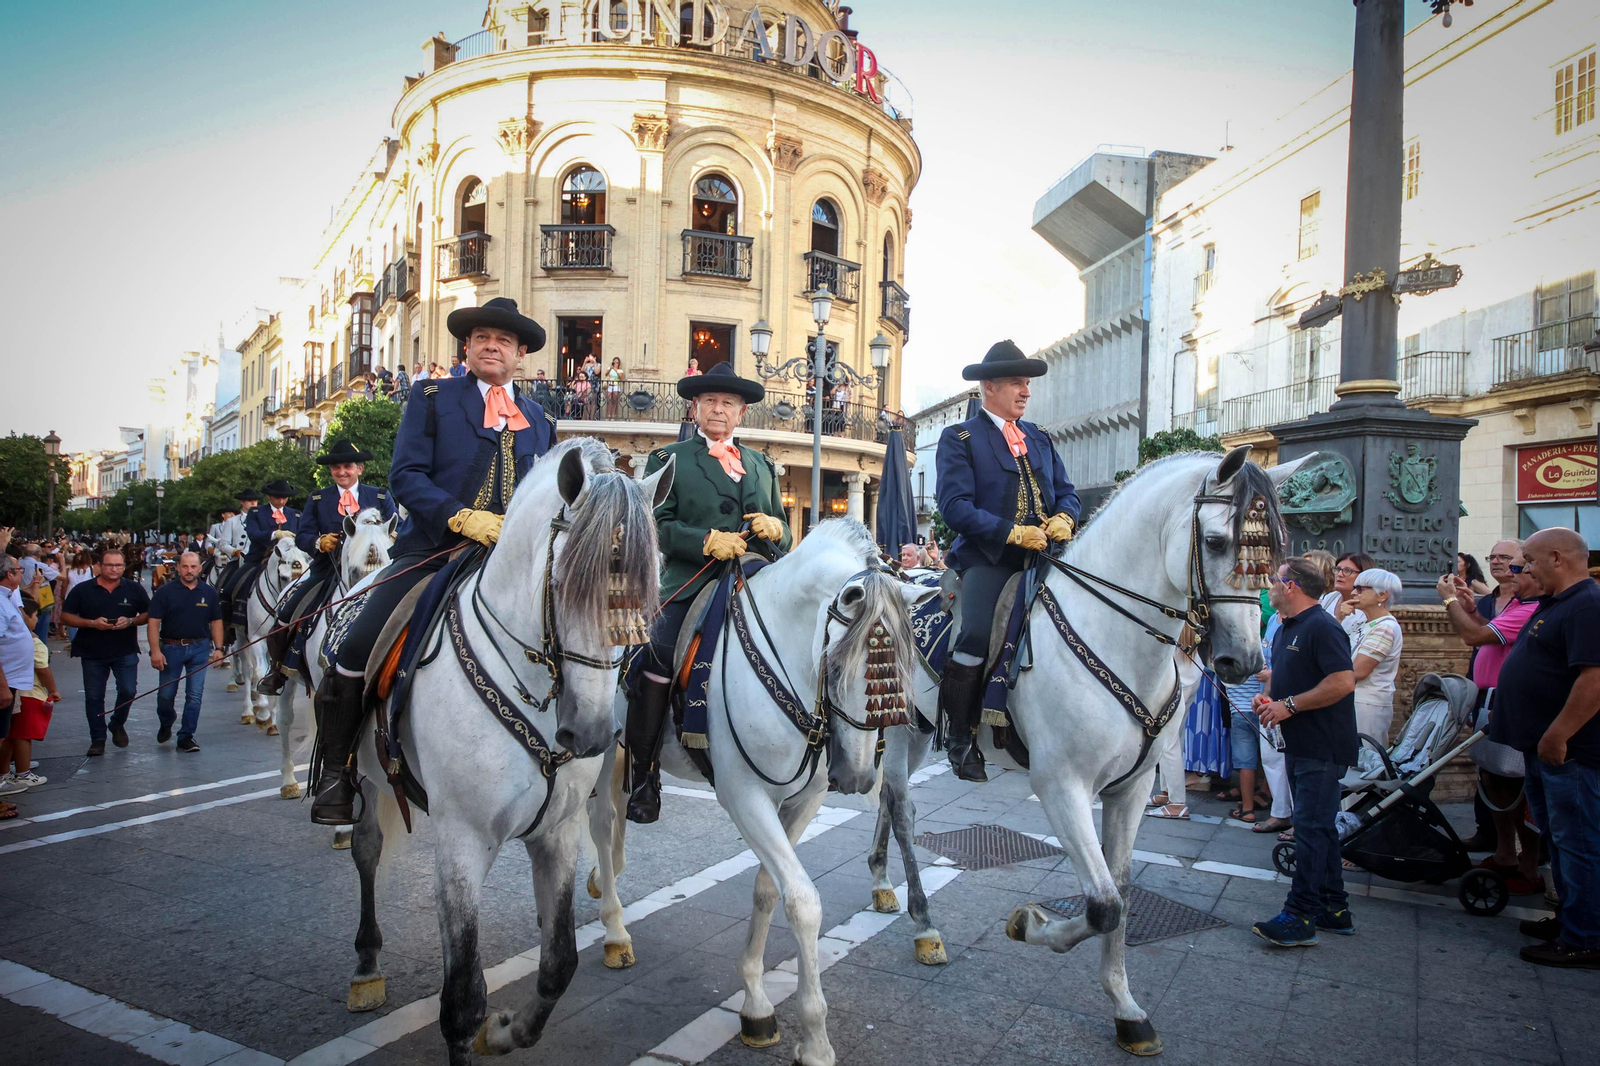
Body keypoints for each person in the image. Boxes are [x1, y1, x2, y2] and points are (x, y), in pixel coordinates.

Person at [311, 297, 555, 825]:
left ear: (520, 356)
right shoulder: (431, 398)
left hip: (514, 560)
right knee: (356, 644)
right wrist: (461, 517)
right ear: (466, 347)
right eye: (483, 337)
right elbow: (406, 476)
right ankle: (337, 770)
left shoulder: (539, 418)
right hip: (434, 549)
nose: (493, 346)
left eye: (505, 341)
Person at [625, 362, 793, 824]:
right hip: (691, 581)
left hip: (757, 580)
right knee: (657, 656)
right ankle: (644, 772)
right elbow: (653, 524)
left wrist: (777, 528)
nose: (719, 410)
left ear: (741, 414)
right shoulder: (669, 458)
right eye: (711, 402)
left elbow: (786, 535)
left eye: (729, 404)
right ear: (695, 408)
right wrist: (704, 540)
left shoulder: (761, 464)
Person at [934, 340, 1080, 782]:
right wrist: (1010, 531)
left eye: (1028, 383)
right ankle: (960, 736)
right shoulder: (959, 438)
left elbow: (1067, 491)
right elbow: (953, 506)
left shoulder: (1039, 437)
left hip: (1047, 557)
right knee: (975, 634)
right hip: (988, 558)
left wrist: (1066, 517)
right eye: (1017, 383)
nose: (1026, 391)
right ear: (989, 387)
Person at [1496, 527, 1600, 968]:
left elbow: (1593, 680)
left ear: (1557, 558)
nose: (1525, 570)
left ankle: (1586, 937)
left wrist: (1558, 733)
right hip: (1544, 751)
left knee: (1578, 842)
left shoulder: (1586, 605)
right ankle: (1571, 919)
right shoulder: (1556, 604)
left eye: (1531, 562)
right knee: (1560, 839)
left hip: (1570, 753)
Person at [1251, 557, 1358, 946]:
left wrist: (1290, 706)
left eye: (1274, 581)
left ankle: (1300, 915)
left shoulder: (1323, 627)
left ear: (1292, 586)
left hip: (1323, 743)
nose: (1269, 587)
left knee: (1311, 829)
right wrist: (1270, 699)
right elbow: (1283, 677)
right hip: (1299, 742)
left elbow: (1344, 681)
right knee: (1320, 828)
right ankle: (1335, 908)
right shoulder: (1284, 627)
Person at [1439, 545, 1543, 894]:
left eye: (1517, 567)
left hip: (1510, 704)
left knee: (1515, 786)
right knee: (1495, 782)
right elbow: (1491, 633)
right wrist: (1471, 609)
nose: (1510, 572)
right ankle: (1504, 854)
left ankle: (1528, 865)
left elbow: (1474, 636)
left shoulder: (1532, 607)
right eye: (1498, 561)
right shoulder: (1515, 604)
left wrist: (1450, 602)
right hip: (1489, 701)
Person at [259, 439, 394, 695]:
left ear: (359, 469)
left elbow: (397, 529)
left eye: (347, 466)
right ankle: (278, 670)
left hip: (375, 571)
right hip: (327, 571)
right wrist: (319, 542)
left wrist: (390, 539)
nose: (342, 472)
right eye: (336, 468)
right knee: (288, 612)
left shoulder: (379, 496)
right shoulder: (318, 498)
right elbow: (303, 535)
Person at [59, 548, 150, 757]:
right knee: (93, 697)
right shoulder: (83, 590)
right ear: (99, 566)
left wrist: (131, 621)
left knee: (128, 691)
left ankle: (117, 723)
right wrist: (91, 623)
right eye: (110, 565)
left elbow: (148, 613)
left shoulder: (133, 588)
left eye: (119, 565)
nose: (115, 569)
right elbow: (65, 616)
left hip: (125, 648)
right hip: (92, 651)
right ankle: (97, 739)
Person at [145, 551, 224, 753]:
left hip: (199, 648)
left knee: (194, 696)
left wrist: (219, 649)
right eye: (186, 567)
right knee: (166, 695)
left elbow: (216, 622)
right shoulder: (165, 592)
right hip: (171, 648)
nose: (190, 571)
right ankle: (166, 721)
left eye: (194, 567)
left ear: (200, 568)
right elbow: (153, 623)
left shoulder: (209, 592)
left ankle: (186, 737)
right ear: (178, 568)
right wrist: (155, 651)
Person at [0, 594, 58, 793]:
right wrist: (54, 690)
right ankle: (23, 774)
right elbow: (43, 669)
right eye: (36, 616)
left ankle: (4, 772)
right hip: (29, 694)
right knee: (23, 735)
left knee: (7, 734)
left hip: (15, 690)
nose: (38, 620)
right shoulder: (34, 643)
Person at [1349, 568, 1404, 749]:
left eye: (1361, 589)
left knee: (1365, 765)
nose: (1353, 593)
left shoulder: (1385, 628)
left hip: (1367, 706)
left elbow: (1359, 670)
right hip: (1354, 702)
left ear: (1382, 596)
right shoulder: (1363, 622)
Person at [0, 559, 32, 819]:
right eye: (19, 570)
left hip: (11, 679)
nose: (22, 574)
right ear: (9, 574)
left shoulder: (8, 596)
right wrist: (2, 686)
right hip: (4, 680)